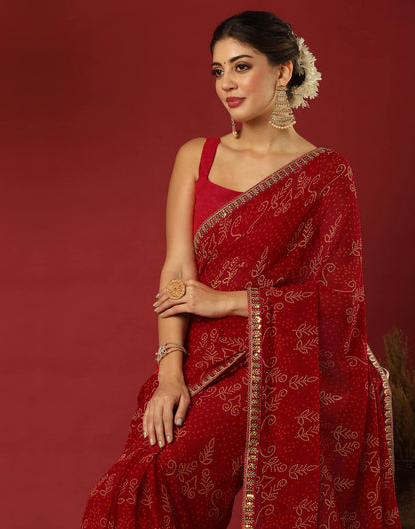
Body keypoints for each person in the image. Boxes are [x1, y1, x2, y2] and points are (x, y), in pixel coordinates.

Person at [80, 11, 401, 529]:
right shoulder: (196, 156)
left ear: (283, 71)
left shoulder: (326, 174)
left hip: (274, 366)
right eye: (218, 70)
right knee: (135, 490)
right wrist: (169, 373)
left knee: (174, 472)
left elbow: (341, 301)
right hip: (197, 359)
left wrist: (227, 301)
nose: (226, 83)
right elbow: (177, 268)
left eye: (242, 66)